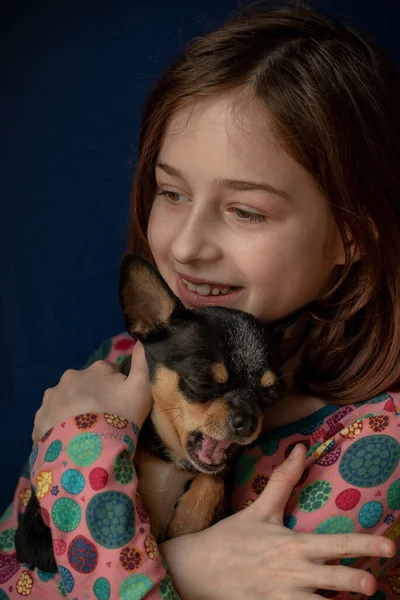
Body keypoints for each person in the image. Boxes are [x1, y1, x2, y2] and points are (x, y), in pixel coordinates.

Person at [1, 2, 400, 598]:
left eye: (246, 210)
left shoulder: (377, 443)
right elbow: (15, 576)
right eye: (171, 192)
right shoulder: (123, 362)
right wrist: (190, 574)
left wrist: (84, 444)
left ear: (351, 236)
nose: (186, 248)